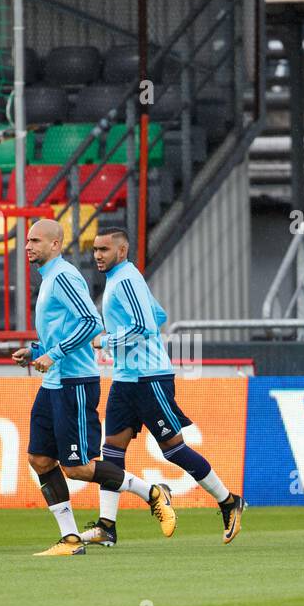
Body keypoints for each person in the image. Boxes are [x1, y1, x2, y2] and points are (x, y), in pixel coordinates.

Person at [11, 219, 175, 557]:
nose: (28, 246)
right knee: (39, 458)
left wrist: (53, 354)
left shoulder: (64, 276)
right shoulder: (48, 279)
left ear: (55, 245)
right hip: (53, 382)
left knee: (76, 467)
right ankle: (70, 539)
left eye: (35, 241)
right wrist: (38, 351)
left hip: (75, 384)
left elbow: (91, 323)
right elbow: (64, 329)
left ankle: (152, 492)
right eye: (27, 241)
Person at [83, 230, 245, 546]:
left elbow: (145, 327)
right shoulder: (123, 279)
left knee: (173, 449)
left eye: (104, 249)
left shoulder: (126, 279)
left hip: (149, 378)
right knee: (112, 450)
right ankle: (106, 526)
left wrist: (107, 340)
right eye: (95, 249)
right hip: (126, 379)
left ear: (122, 249)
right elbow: (158, 315)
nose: (98, 255)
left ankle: (228, 501)